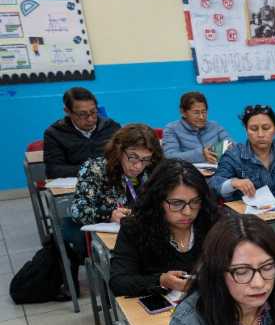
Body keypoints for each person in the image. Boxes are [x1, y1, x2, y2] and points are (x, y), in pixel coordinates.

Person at [109, 160, 221, 297]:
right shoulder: (135, 228)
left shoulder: (212, 222)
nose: (187, 212)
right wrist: (161, 280)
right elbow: (119, 282)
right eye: (176, 203)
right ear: (157, 200)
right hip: (158, 313)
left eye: (195, 202)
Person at [65, 123, 160, 258]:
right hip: (112, 240)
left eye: (145, 159)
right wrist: (109, 215)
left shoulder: (152, 170)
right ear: (119, 150)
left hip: (144, 234)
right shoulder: (95, 169)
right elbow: (78, 210)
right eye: (132, 157)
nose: (138, 166)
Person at [212, 104, 275, 201]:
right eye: (253, 129)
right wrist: (233, 182)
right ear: (246, 131)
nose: (260, 134)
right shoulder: (233, 155)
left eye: (266, 128)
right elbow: (215, 184)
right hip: (248, 212)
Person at [42, 87, 121, 178]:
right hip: (75, 186)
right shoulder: (54, 134)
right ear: (67, 111)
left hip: (110, 182)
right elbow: (54, 170)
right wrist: (92, 169)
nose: (90, 119)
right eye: (82, 114)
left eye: (93, 112)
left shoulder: (111, 127)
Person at [161, 92, 232, 165]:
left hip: (219, 170)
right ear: (183, 112)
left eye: (204, 112)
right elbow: (170, 156)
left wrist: (231, 147)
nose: (201, 117)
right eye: (196, 113)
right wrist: (201, 154)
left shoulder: (215, 126)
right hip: (189, 173)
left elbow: (231, 143)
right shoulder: (172, 129)